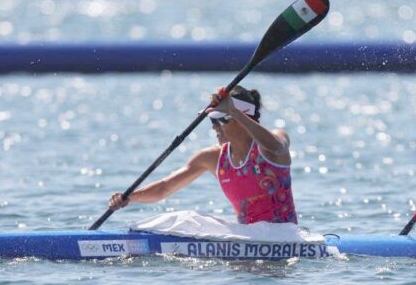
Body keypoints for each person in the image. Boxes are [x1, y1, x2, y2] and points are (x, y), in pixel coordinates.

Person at [108, 85, 297, 224]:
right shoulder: (212, 158)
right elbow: (164, 188)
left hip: (284, 238)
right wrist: (129, 197)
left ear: (241, 118)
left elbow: (277, 147)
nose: (214, 127)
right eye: (211, 121)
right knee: (186, 220)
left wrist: (233, 110)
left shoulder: (272, 144)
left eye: (218, 120)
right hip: (249, 239)